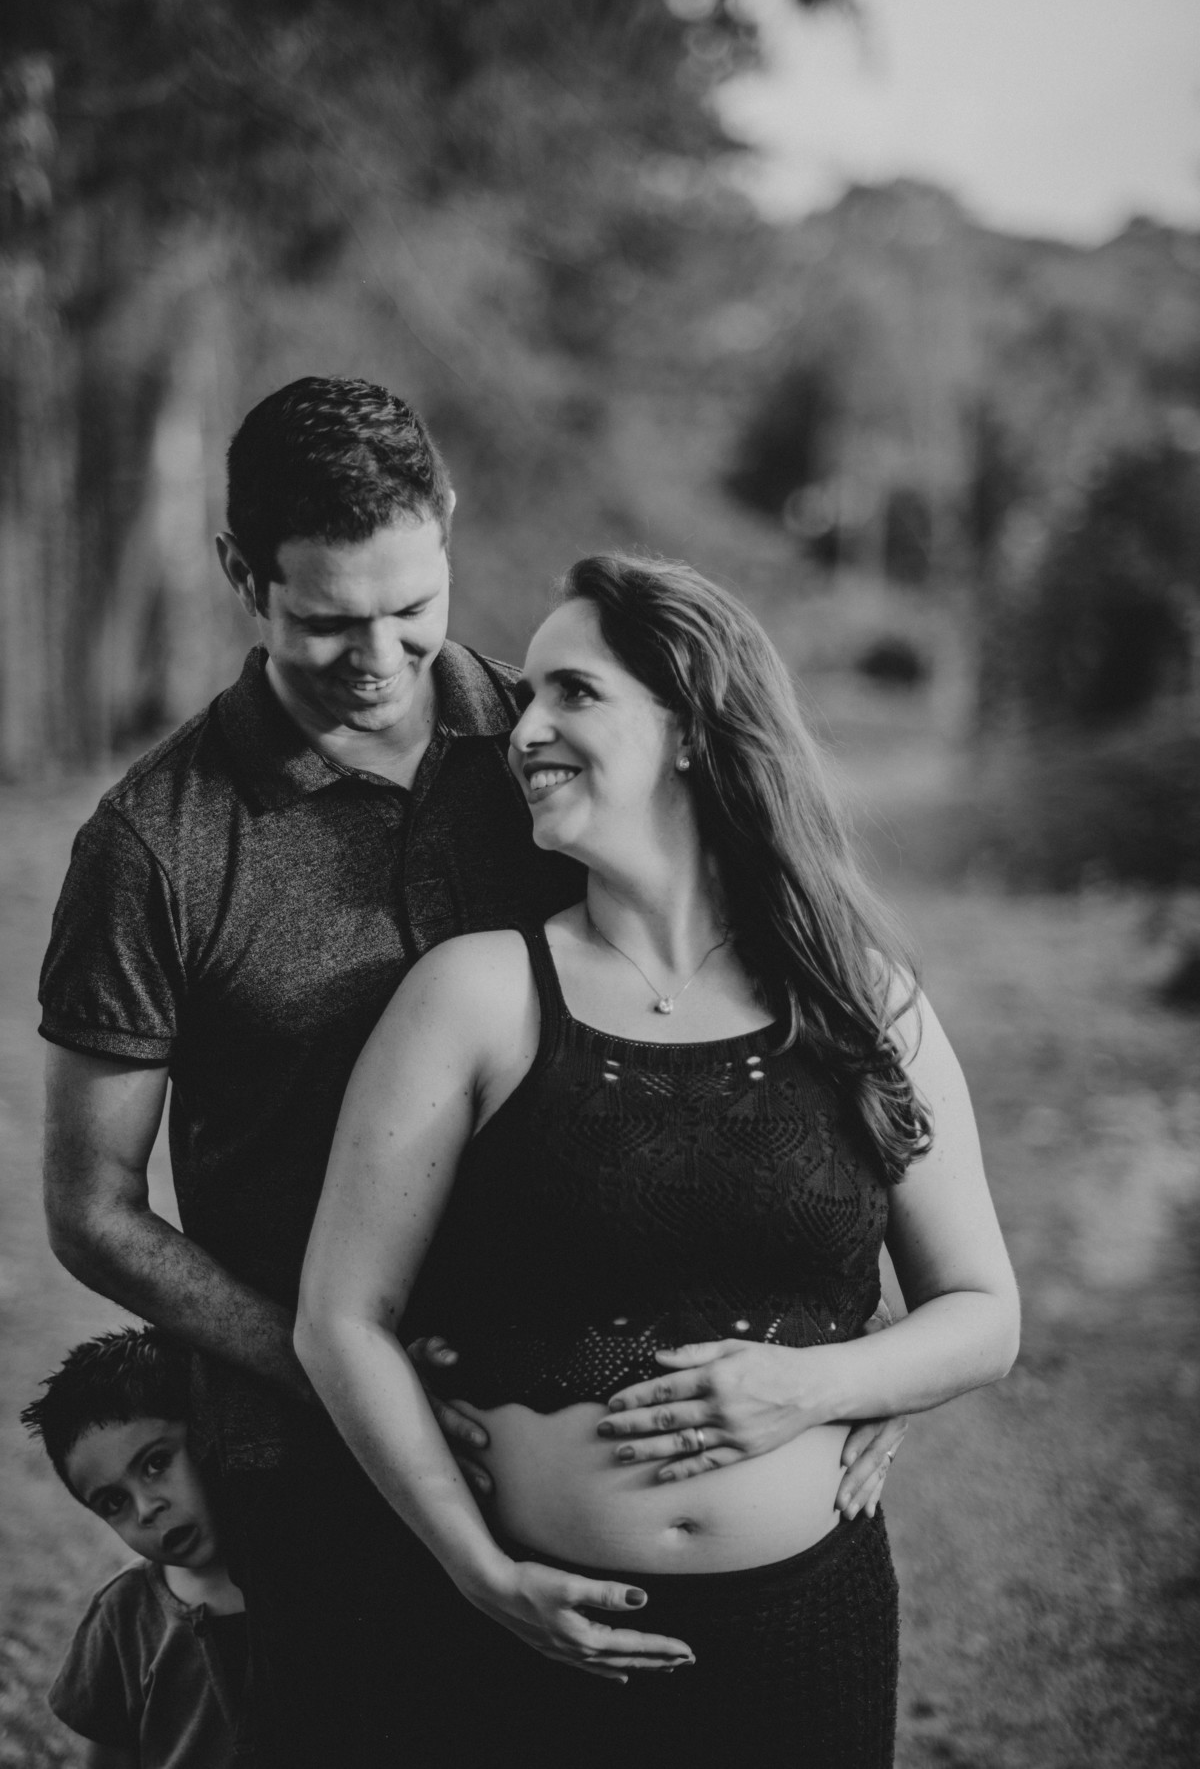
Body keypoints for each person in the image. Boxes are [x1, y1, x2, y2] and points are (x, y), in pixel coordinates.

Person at [38, 378, 903, 1765]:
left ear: (446, 523)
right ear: (242, 576)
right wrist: (338, 1364)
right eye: (327, 620)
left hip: (583, 1440)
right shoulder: (157, 844)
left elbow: (751, 1044)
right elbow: (91, 1207)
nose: (377, 656)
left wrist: (842, 1360)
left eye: (411, 606)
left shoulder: (556, 748)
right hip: (314, 1463)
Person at [296, 552, 1022, 1768]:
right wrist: (478, 1575)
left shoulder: (861, 1000)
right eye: (526, 696)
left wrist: (822, 1384)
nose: (524, 729)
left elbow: (986, 1312)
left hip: (807, 1636)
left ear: (690, 726)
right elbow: (341, 1317)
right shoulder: (475, 993)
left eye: (574, 691)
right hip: (531, 1639)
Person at [21, 1328, 245, 1769]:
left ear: (205, 1432)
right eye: (114, 1502)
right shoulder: (120, 1614)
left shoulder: (294, 1568)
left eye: (156, 1463)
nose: (146, 1509)